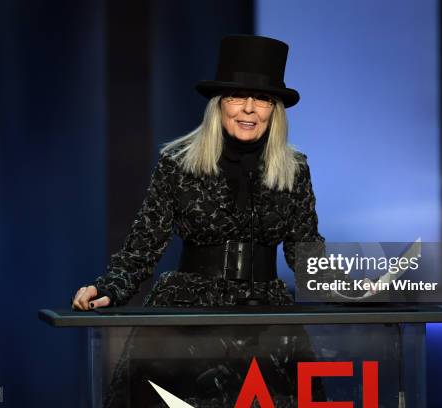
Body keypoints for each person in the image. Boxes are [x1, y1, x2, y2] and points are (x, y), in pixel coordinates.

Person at [72, 35, 326, 407]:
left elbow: (306, 252)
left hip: (267, 317)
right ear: (219, 105)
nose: (249, 109)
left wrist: (354, 290)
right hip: (187, 316)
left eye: (262, 99)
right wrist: (109, 286)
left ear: (275, 110)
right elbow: (144, 243)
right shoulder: (179, 163)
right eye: (238, 97)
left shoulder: (294, 169)